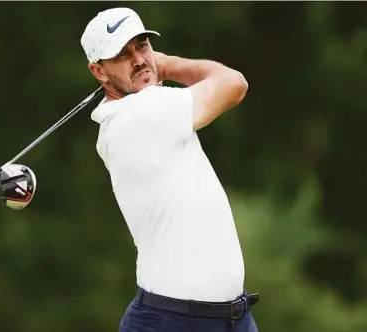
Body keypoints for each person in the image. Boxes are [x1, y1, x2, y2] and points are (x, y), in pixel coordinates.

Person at [81, 7, 259, 332]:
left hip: (230, 317)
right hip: (176, 321)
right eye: (122, 55)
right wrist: (167, 64)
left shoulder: (138, 109)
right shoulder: (142, 113)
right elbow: (234, 84)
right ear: (99, 72)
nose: (138, 60)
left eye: (142, 46)